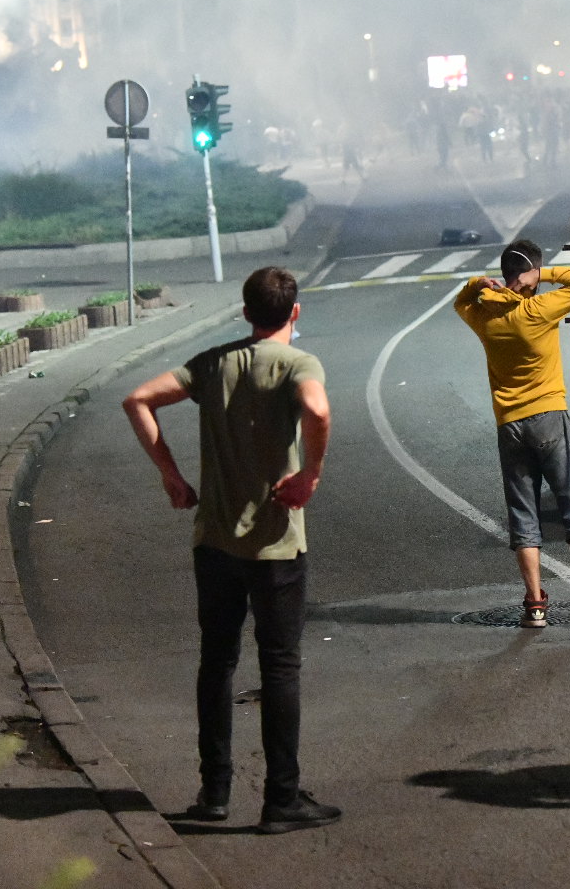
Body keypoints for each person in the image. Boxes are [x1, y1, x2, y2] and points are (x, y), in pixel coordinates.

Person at [121, 267, 340, 834]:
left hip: (214, 542)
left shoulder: (212, 362)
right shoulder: (299, 364)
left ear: (245, 312)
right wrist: (311, 473)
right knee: (280, 665)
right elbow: (316, 411)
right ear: (294, 312)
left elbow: (138, 400)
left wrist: (171, 476)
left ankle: (214, 791)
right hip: (275, 544)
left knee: (217, 663)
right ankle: (281, 799)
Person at [455, 240, 570, 627]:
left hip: (509, 424)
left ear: (504, 275)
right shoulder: (538, 309)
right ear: (531, 275)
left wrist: (478, 283)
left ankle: (535, 603)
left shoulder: (486, 316)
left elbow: (460, 302)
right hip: (548, 417)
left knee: (523, 512)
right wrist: (544, 273)